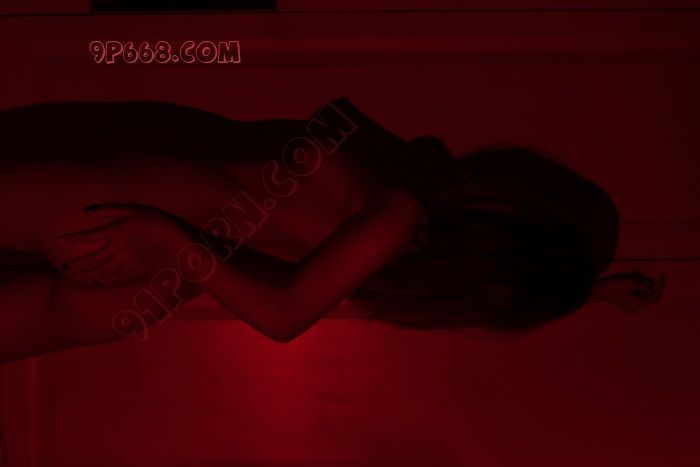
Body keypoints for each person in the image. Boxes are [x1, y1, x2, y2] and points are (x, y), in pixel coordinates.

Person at [0, 97, 663, 363]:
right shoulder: (403, 251)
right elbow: (489, 287)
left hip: (130, 209)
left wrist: (171, 239)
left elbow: (285, 315)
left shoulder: (399, 211)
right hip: (148, 283)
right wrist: (592, 292)